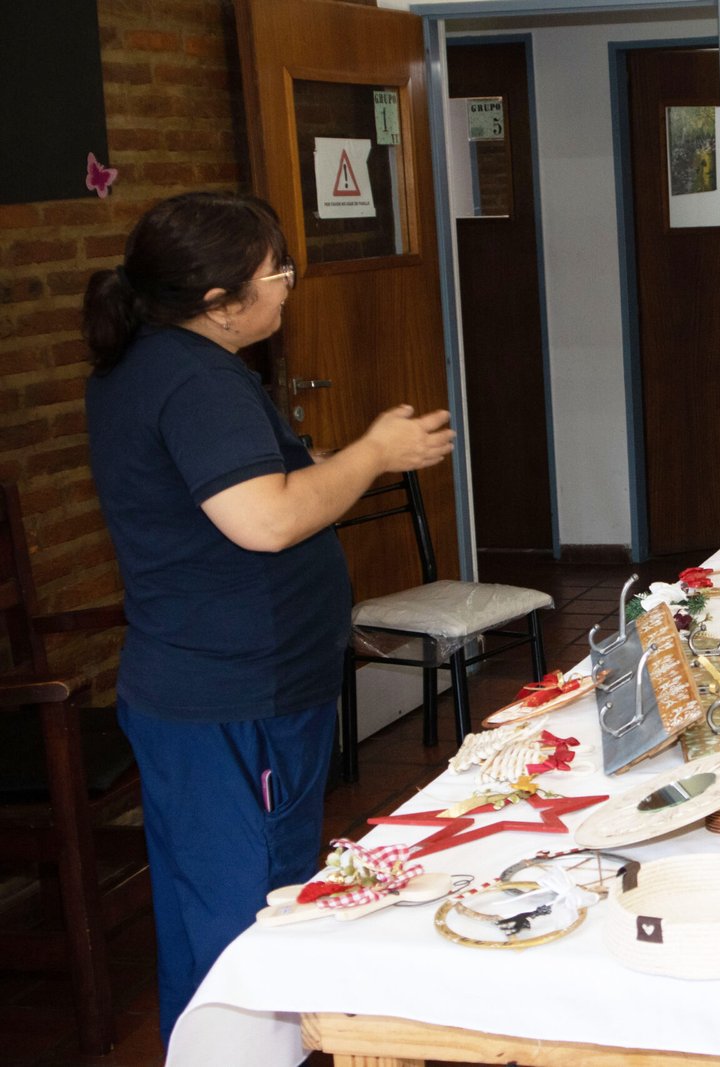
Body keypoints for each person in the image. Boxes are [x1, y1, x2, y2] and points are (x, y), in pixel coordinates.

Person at [81, 192, 455, 1042]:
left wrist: (343, 461)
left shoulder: (162, 360)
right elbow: (267, 518)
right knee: (244, 922)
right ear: (220, 302)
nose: (288, 284)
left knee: (229, 911)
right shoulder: (193, 379)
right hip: (231, 700)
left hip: (229, 691)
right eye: (276, 271)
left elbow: (253, 479)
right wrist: (373, 453)